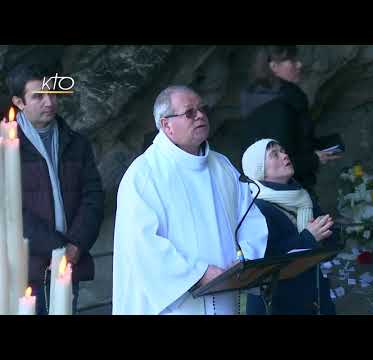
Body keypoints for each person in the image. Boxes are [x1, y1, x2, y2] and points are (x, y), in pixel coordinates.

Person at [112, 85, 268, 315]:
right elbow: (141, 245)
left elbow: (249, 217)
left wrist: (245, 258)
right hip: (175, 304)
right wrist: (199, 274)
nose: (201, 116)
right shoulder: (144, 174)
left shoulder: (222, 166)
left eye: (202, 109)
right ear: (166, 125)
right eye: (189, 113)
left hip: (225, 292)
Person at [6, 63, 105, 315]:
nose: (49, 102)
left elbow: (93, 196)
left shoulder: (76, 143)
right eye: (38, 96)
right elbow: (9, 209)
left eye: (52, 94)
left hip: (69, 262)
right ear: (19, 102)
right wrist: (57, 248)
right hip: (25, 266)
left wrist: (75, 246)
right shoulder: (5, 146)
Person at [242, 139, 337, 315]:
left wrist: (329, 234)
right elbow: (263, 261)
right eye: (274, 154)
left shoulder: (303, 198)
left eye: (283, 150)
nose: (285, 155)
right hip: (278, 303)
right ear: (259, 168)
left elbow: (331, 243)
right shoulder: (255, 209)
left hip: (314, 295)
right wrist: (309, 238)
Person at [240, 45, 341, 194]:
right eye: (291, 60)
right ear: (274, 66)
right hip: (288, 192)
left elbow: (293, 142)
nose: (299, 64)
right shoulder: (278, 107)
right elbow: (279, 163)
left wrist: (321, 146)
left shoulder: (260, 98)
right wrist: (314, 159)